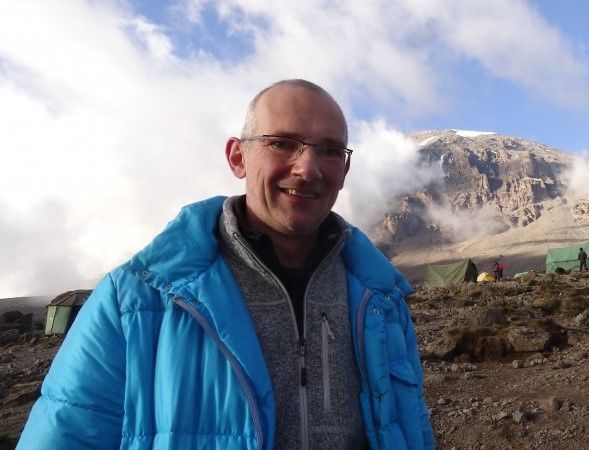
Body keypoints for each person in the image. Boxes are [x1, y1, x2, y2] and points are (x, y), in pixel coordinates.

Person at [19, 80, 434, 449]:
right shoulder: (135, 303)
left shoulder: (382, 300)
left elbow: (411, 430)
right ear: (238, 158)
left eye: (329, 150)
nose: (307, 168)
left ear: (344, 169)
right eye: (282, 143)